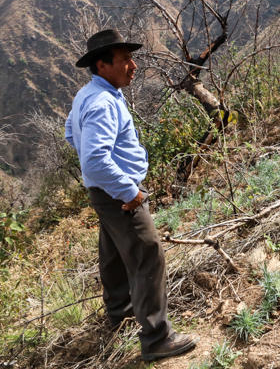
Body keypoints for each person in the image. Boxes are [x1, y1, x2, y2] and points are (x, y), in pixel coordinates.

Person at [65, 29, 196, 362]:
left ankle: (120, 312)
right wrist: (129, 190)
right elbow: (94, 159)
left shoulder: (91, 94)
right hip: (118, 193)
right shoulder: (101, 103)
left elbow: (70, 132)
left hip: (105, 192)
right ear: (102, 64)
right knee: (147, 253)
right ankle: (156, 338)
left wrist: (106, 178)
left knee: (113, 251)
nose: (133, 65)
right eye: (125, 60)